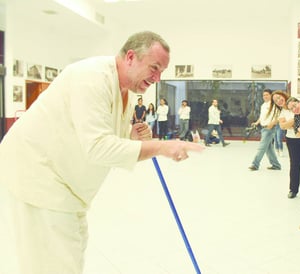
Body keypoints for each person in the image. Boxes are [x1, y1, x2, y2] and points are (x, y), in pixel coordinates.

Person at [0, 31, 204, 274]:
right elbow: (98, 147)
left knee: (69, 253)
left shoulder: (125, 90)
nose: (157, 78)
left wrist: (130, 135)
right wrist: (162, 147)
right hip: (39, 175)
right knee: (55, 262)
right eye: (154, 67)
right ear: (130, 57)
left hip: (67, 186)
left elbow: (103, 133)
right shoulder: (92, 78)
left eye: (161, 72)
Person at [274, 91, 300, 200]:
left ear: (283, 95)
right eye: (276, 101)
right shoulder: (282, 112)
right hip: (292, 140)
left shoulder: (298, 101)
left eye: (279, 98)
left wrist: (290, 123)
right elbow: (283, 127)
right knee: (294, 165)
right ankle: (293, 189)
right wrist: (295, 120)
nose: (279, 101)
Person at [248, 89, 281, 171]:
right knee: (269, 148)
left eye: (267, 95)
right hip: (263, 128)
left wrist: (272, 124)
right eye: (263, 95)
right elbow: (262, 117)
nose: (265, 96)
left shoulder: (274, 105)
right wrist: (256, 123)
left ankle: (255, 164)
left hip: (269, 129)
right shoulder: (263, 105)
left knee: (262, 147)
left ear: (271, 95)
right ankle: (276, 165)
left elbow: (279, 116)